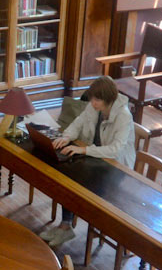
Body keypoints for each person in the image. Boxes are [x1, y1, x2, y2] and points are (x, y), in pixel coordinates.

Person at [40, 76, 135, 247]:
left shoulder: (124, 116)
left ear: (109, 99)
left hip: (116, 165)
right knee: (66, 175)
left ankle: (66, 225)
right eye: (92, 98)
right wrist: (66, 136)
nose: (92, 102)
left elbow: (115, 150)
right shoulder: (94, 107)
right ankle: (65, 226)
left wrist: (83, 150)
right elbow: (78, 123)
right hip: (96, 155)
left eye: (97, 99)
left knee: (77, 181)